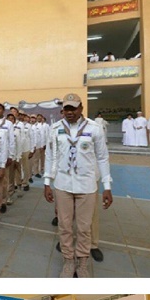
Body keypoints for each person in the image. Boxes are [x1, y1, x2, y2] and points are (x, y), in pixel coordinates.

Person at [44, 93, 113, 278]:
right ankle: (68, 261)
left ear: (81, 108)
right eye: (66, 108)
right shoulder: (55, 129)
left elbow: (102, 157)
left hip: (87, 185)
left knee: (84, 227)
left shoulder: (94, 128)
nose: (70, 112)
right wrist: (47, 182)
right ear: (62, 110)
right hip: (63, 184)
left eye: (73, 108)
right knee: (65, 226)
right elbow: (51, 156)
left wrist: (107, 186)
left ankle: (82, 262)